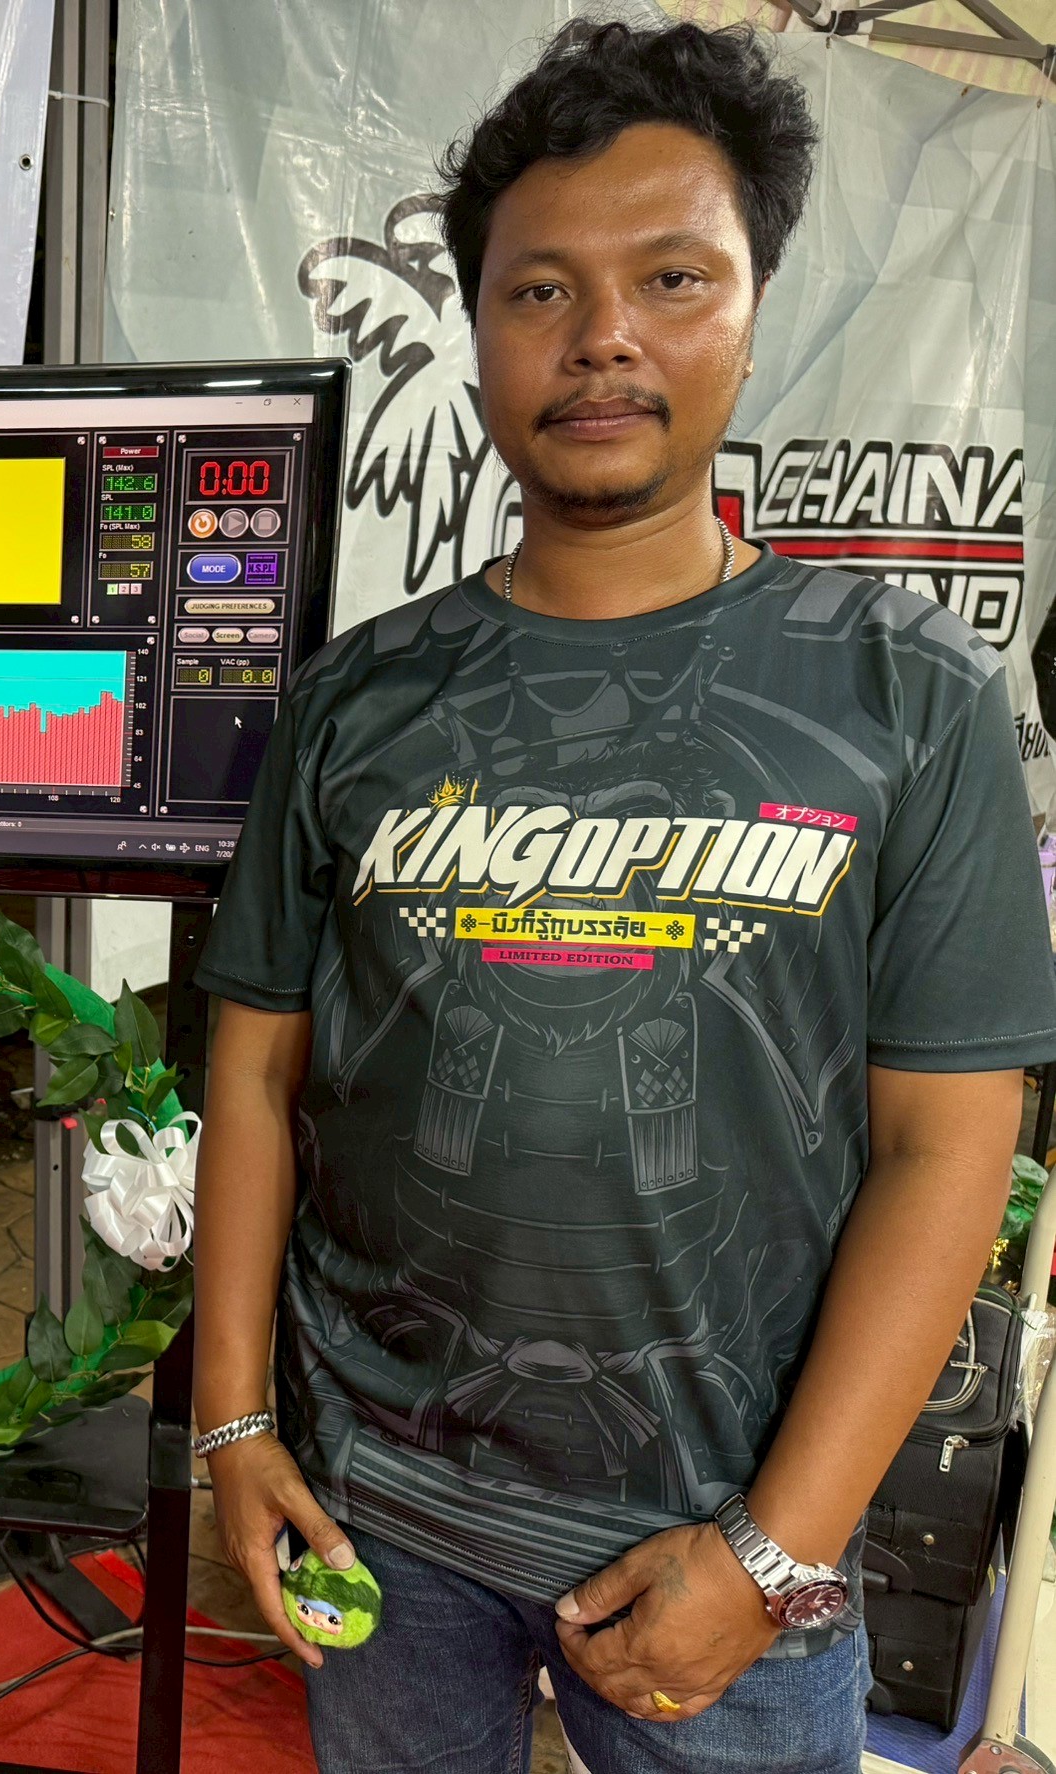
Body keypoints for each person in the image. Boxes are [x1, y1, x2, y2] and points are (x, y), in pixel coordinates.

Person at [190, 21, 1056, 1773]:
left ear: (753, 306)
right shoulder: (358, 700)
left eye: (672, 277)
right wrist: (233, 1422)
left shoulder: (903, 690)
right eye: (540, 291)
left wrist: (775, 1549)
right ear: (477, 331)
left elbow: (948, 1147)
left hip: (721, 1529)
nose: (603, 337)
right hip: (383, 1512)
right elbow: (258, 1073)